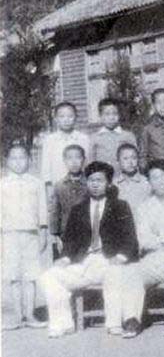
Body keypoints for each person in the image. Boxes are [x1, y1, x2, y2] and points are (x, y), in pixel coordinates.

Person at [38, 161, 139, 338]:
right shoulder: (78, 209)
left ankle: (114, 323)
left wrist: (120, 257)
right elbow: (70, 240)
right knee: (49, 276)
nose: (95, 184)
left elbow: (130, 239)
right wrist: (65, 258)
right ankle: (63, 323)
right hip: (82, 263)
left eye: (100, 180)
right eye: (91, 180)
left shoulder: (120, 206)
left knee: (115, 272)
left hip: (107, 261)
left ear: (108, 183)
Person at [105, 159, 164, 338]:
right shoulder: (145, 207)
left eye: (163, 177)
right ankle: (132, 319)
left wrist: (162, 236)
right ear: (149, 182)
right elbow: (144, 239)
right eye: (154, 178)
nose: (160, 182)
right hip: (157, 257)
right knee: (133, 271)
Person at [2, 141, 48, 330]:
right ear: (6, 161)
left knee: (30, 275)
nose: (18, 162)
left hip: (31, 234)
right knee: (13, 275)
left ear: (29, 160)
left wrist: (43, 230)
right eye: (14, 158)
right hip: (9, 234)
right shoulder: (3, 184)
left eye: (22, 157)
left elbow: (42, 208)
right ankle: (17, 316)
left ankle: (30, 314)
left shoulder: (36, 183)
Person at [48, 144, 88, 257]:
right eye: (69, 158)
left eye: (78, 157)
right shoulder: (59, 185)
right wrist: (56, 237)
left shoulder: (90, 184)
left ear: (84, 160)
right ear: (64, 161)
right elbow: (55, 213)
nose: (74, 161)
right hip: (65, 236)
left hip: (87, 235)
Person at [40, 102, 90, 190]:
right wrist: (49, 188)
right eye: (62, 116)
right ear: (56, 119)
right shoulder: (49, 140)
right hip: (57, 184)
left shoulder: (83, 139)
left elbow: (87, 164)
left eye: (70, 116)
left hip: (80, 186)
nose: (66, 120)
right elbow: (46, 169)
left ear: (76, 118)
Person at [90, 98, 138, 174]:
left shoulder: (128, 136)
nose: (111, 117)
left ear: (119, 115)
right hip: (103, 177)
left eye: (115, 114)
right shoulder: (94, 138)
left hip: (124, 176)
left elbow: (135, 159)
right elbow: (91, 162)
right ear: (100, 116)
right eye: (107, 114)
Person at [113, 143, 151, 211]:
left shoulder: (146, 182)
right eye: (125, 158)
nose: (130, 162)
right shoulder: (114, 184)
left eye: (134, 158)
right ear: (118, 161)